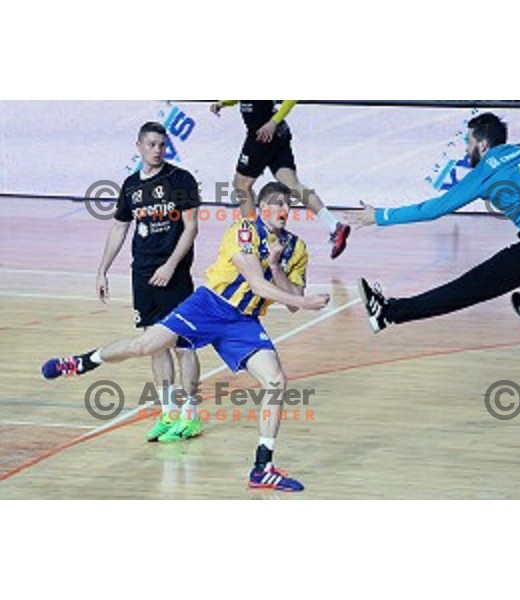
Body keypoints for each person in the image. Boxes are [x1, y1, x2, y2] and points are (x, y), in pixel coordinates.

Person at [43, 182, 331, 492]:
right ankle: (85, 361)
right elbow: (259, 285)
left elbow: (290, 303)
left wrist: (276, 265)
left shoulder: (296, 248)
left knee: (276, 380)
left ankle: (263, 467)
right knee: (145, 346)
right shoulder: (244, 231)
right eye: (276, 204)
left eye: (288, 205)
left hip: (243, 322)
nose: (283, 211)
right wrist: (304, 301)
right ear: (262, 208)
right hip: (209, 305)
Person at [349, 113, 520, 338]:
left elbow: (435, 209)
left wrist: (379, 216)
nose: (466, 150)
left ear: (483, 144)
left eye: (468, 142)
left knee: (470, 287)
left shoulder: (488, 168)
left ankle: (387, 312)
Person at [96, 121, 202, 443]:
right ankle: (168, 414)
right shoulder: (130, 186)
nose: (158, 150)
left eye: (162, 145)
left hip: (174, 275)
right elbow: (118, 228)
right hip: (142, 275)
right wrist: (102, 270)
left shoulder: (180, 179)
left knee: (184, 345)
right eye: (152, 144)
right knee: (156, 347)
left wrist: (171, 265)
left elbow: (191, 228)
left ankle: (190, 416)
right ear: (139, 146)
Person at [210, 100, 351, 259]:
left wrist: (273, 122)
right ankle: (334, 225)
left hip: (262, 135)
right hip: (276, 133)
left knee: (241, 183)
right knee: (292, 184)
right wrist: (224, 103)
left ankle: (251, 238)